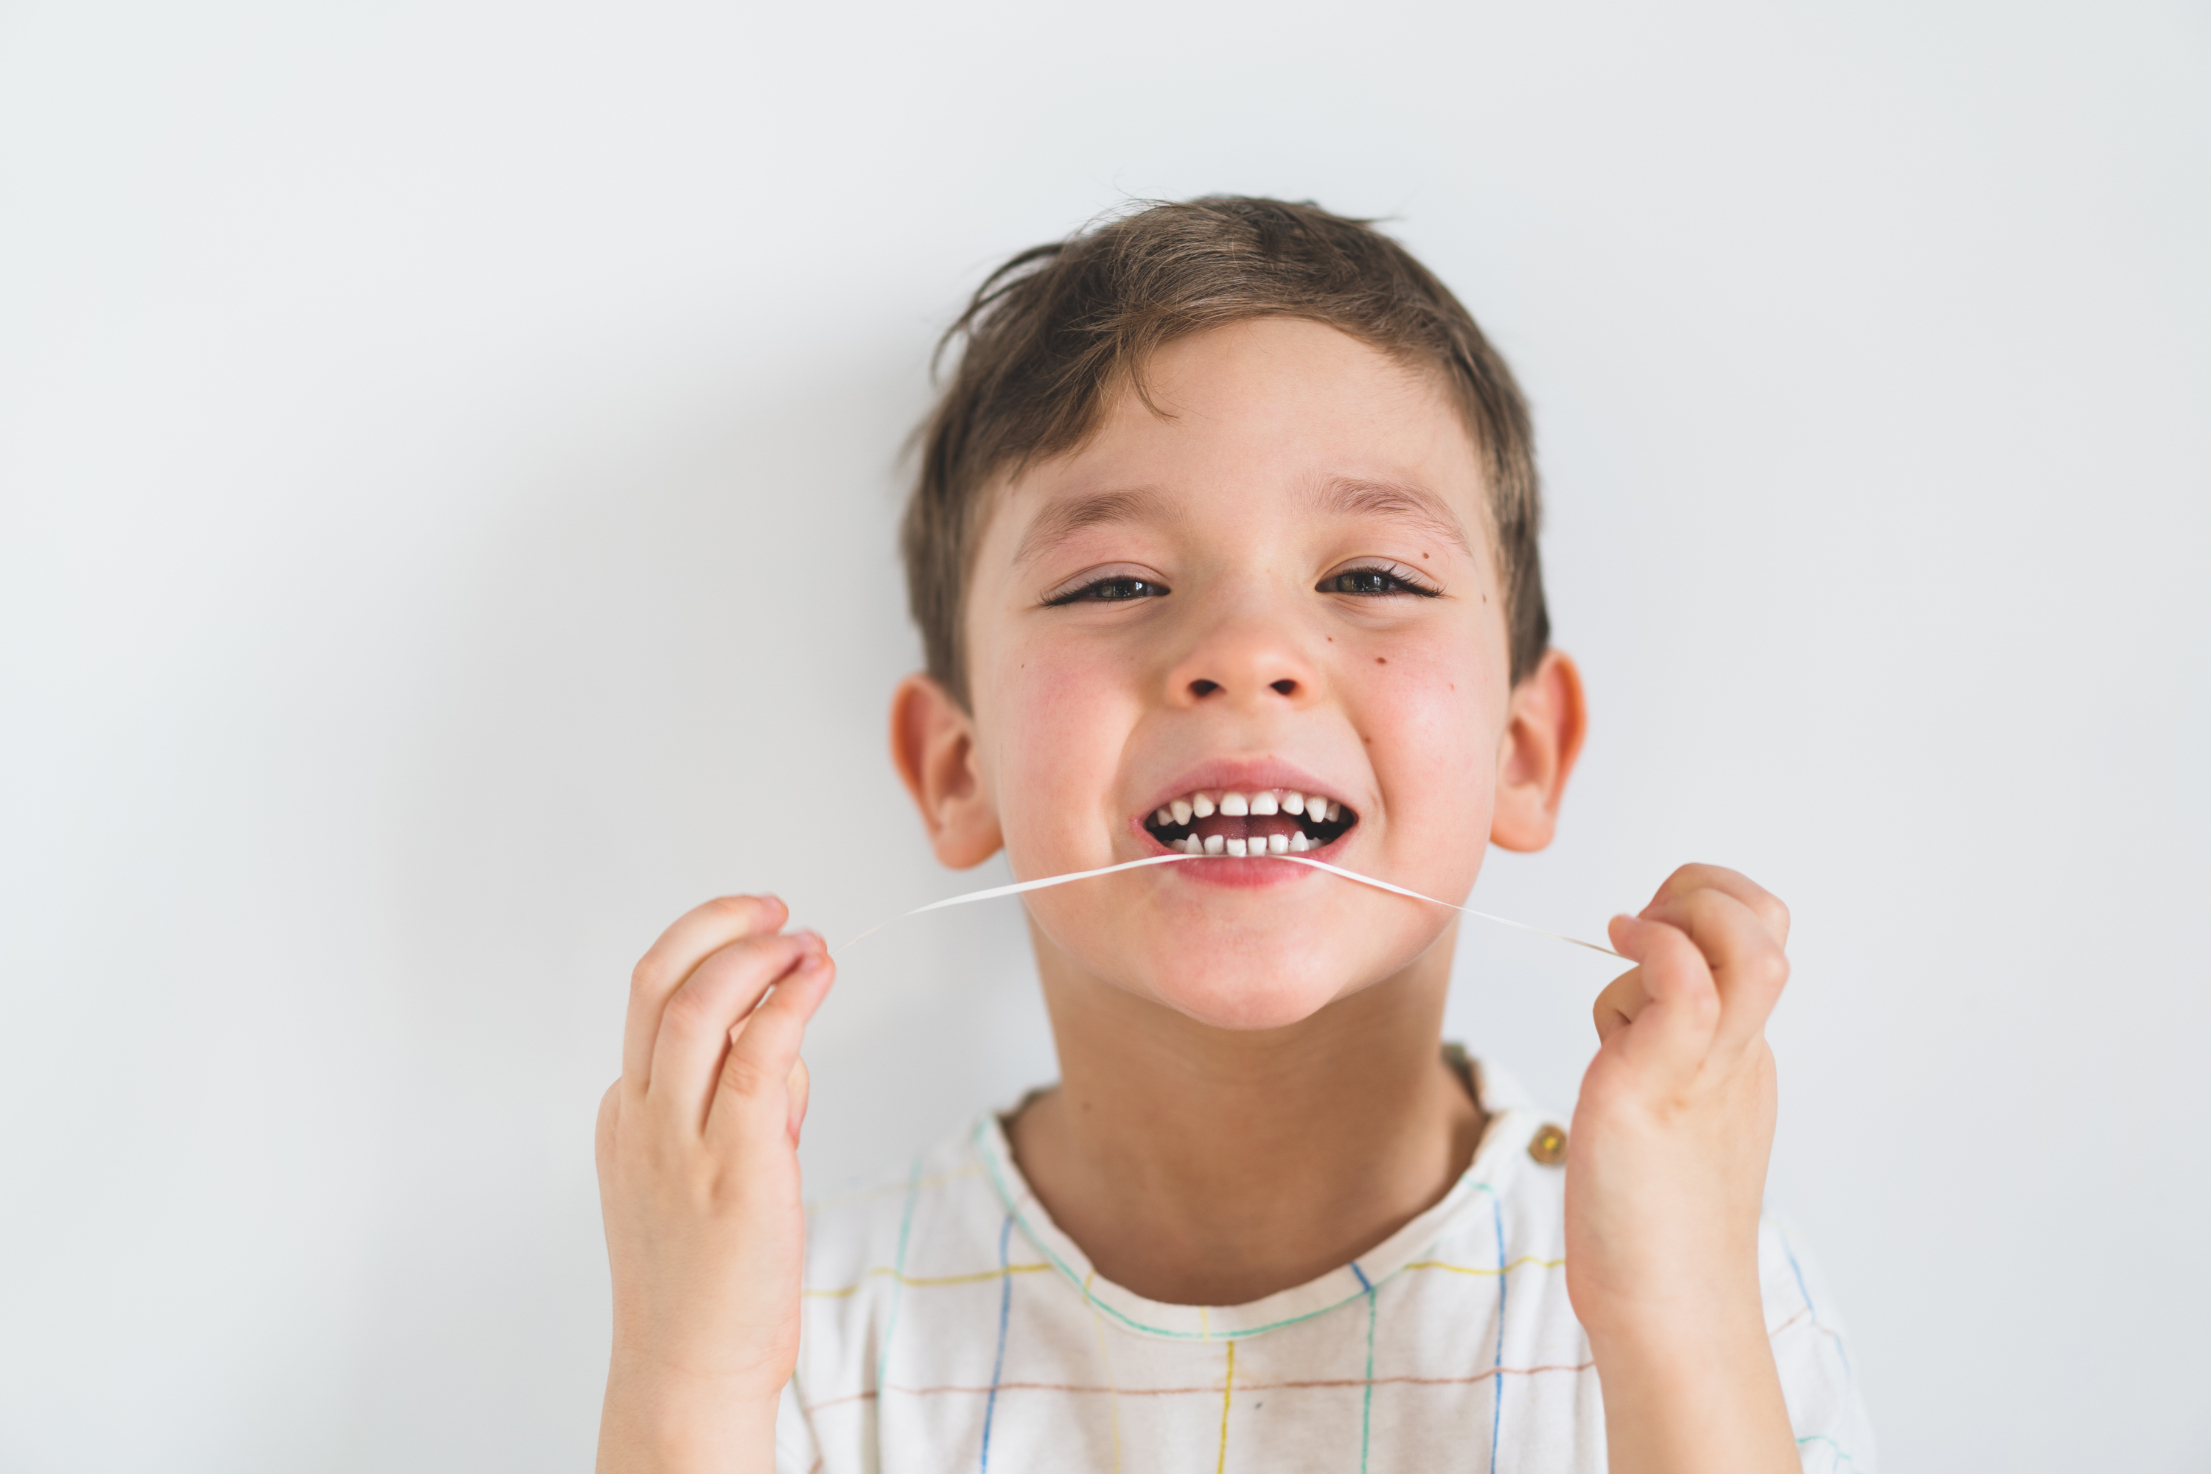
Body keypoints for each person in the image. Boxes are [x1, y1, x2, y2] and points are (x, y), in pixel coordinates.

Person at [591, 197, 1874, 1473]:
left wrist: (1677, 1324)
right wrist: (684, 1369)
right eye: (1116, 584)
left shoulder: (1703, 1275)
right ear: (956, 769)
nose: (1247, 655)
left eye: (1372, 576)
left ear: (1521, 754)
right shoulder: (791, 1323)